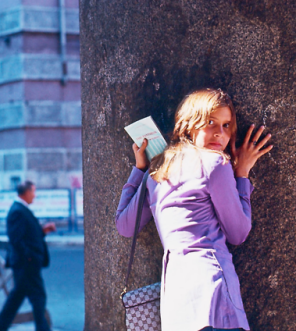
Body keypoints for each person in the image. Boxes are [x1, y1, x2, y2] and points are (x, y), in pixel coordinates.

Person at [115, 88, 272, 331]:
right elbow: (238, 232)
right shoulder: (216, 164)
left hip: (176, 299)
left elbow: (125, 226)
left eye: (227, 125)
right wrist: (241, 175)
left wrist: (140, 170)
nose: (220, 133)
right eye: (210, 122)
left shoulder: (157, 172)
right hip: (214, 293)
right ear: (190, 125)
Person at [0, 181, 56, 331]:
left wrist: (43, 231)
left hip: (26, 264)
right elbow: (16, 239)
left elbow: (26, 235)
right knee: (37, 298)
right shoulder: (18, 211)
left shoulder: (21, 209)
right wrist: (30, 258)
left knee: (18, 298)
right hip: (26, 265)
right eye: (33, 191)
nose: (34, 195)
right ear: (26, 192)